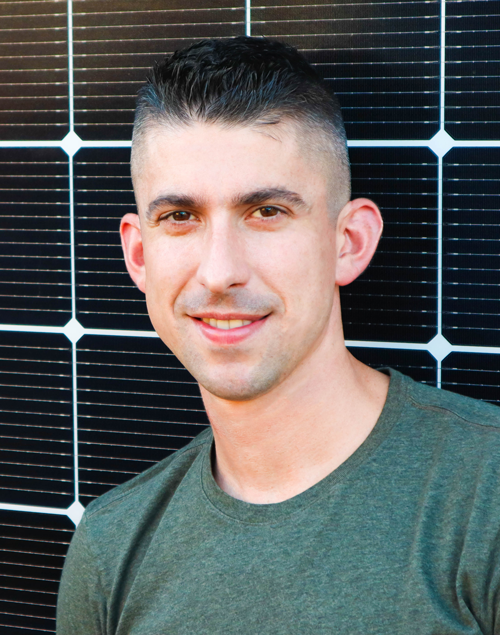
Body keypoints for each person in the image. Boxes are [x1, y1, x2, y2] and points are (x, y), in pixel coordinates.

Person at [57, 37, 500, 634]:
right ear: (139, 256)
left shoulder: (485, 498)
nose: (219, 273)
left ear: (348, 243)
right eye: (180, 217)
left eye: (266, 212)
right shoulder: (111, 550)